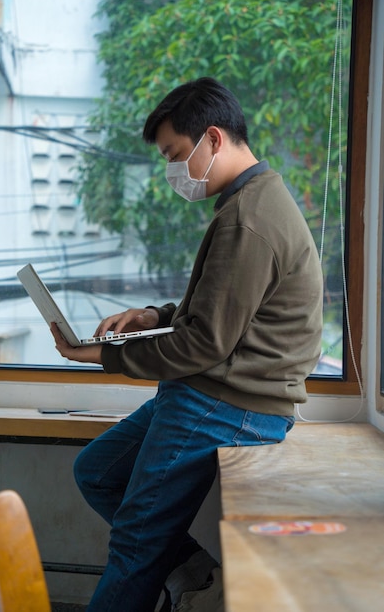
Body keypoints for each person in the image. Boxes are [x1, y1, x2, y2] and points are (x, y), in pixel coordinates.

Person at [51, 77, 323, 612]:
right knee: (98, 473)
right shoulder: (246, 200)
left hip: (226, 403)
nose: (173, 170)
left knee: (135, 542)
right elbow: (221, 313)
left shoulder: (249, 218)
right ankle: (194, 571)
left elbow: (204, 344)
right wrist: (154, 316)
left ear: (214, 139)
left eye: (176, 154)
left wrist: (105, 356)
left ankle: (172, 571)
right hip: (208, 394)